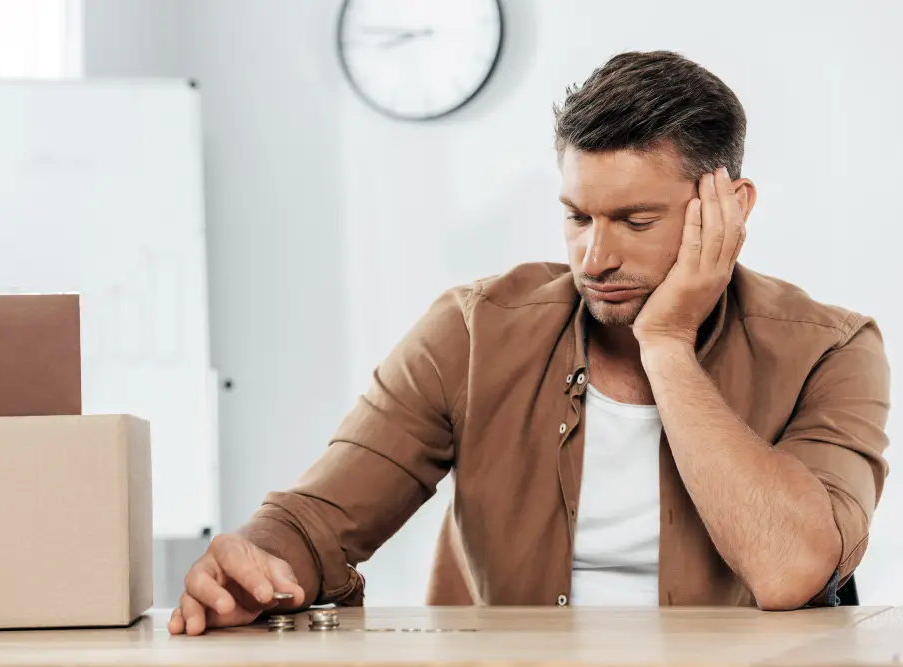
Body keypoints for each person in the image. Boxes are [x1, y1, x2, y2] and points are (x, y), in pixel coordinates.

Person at [169, 50, 891, 636]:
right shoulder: (475, 329)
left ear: (731, 208)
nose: (595, 258)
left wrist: (666, 342)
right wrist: (254, 561)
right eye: (578, 217)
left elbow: (792, 568)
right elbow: (316, 520)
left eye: (635, 221)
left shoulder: (832, 349)